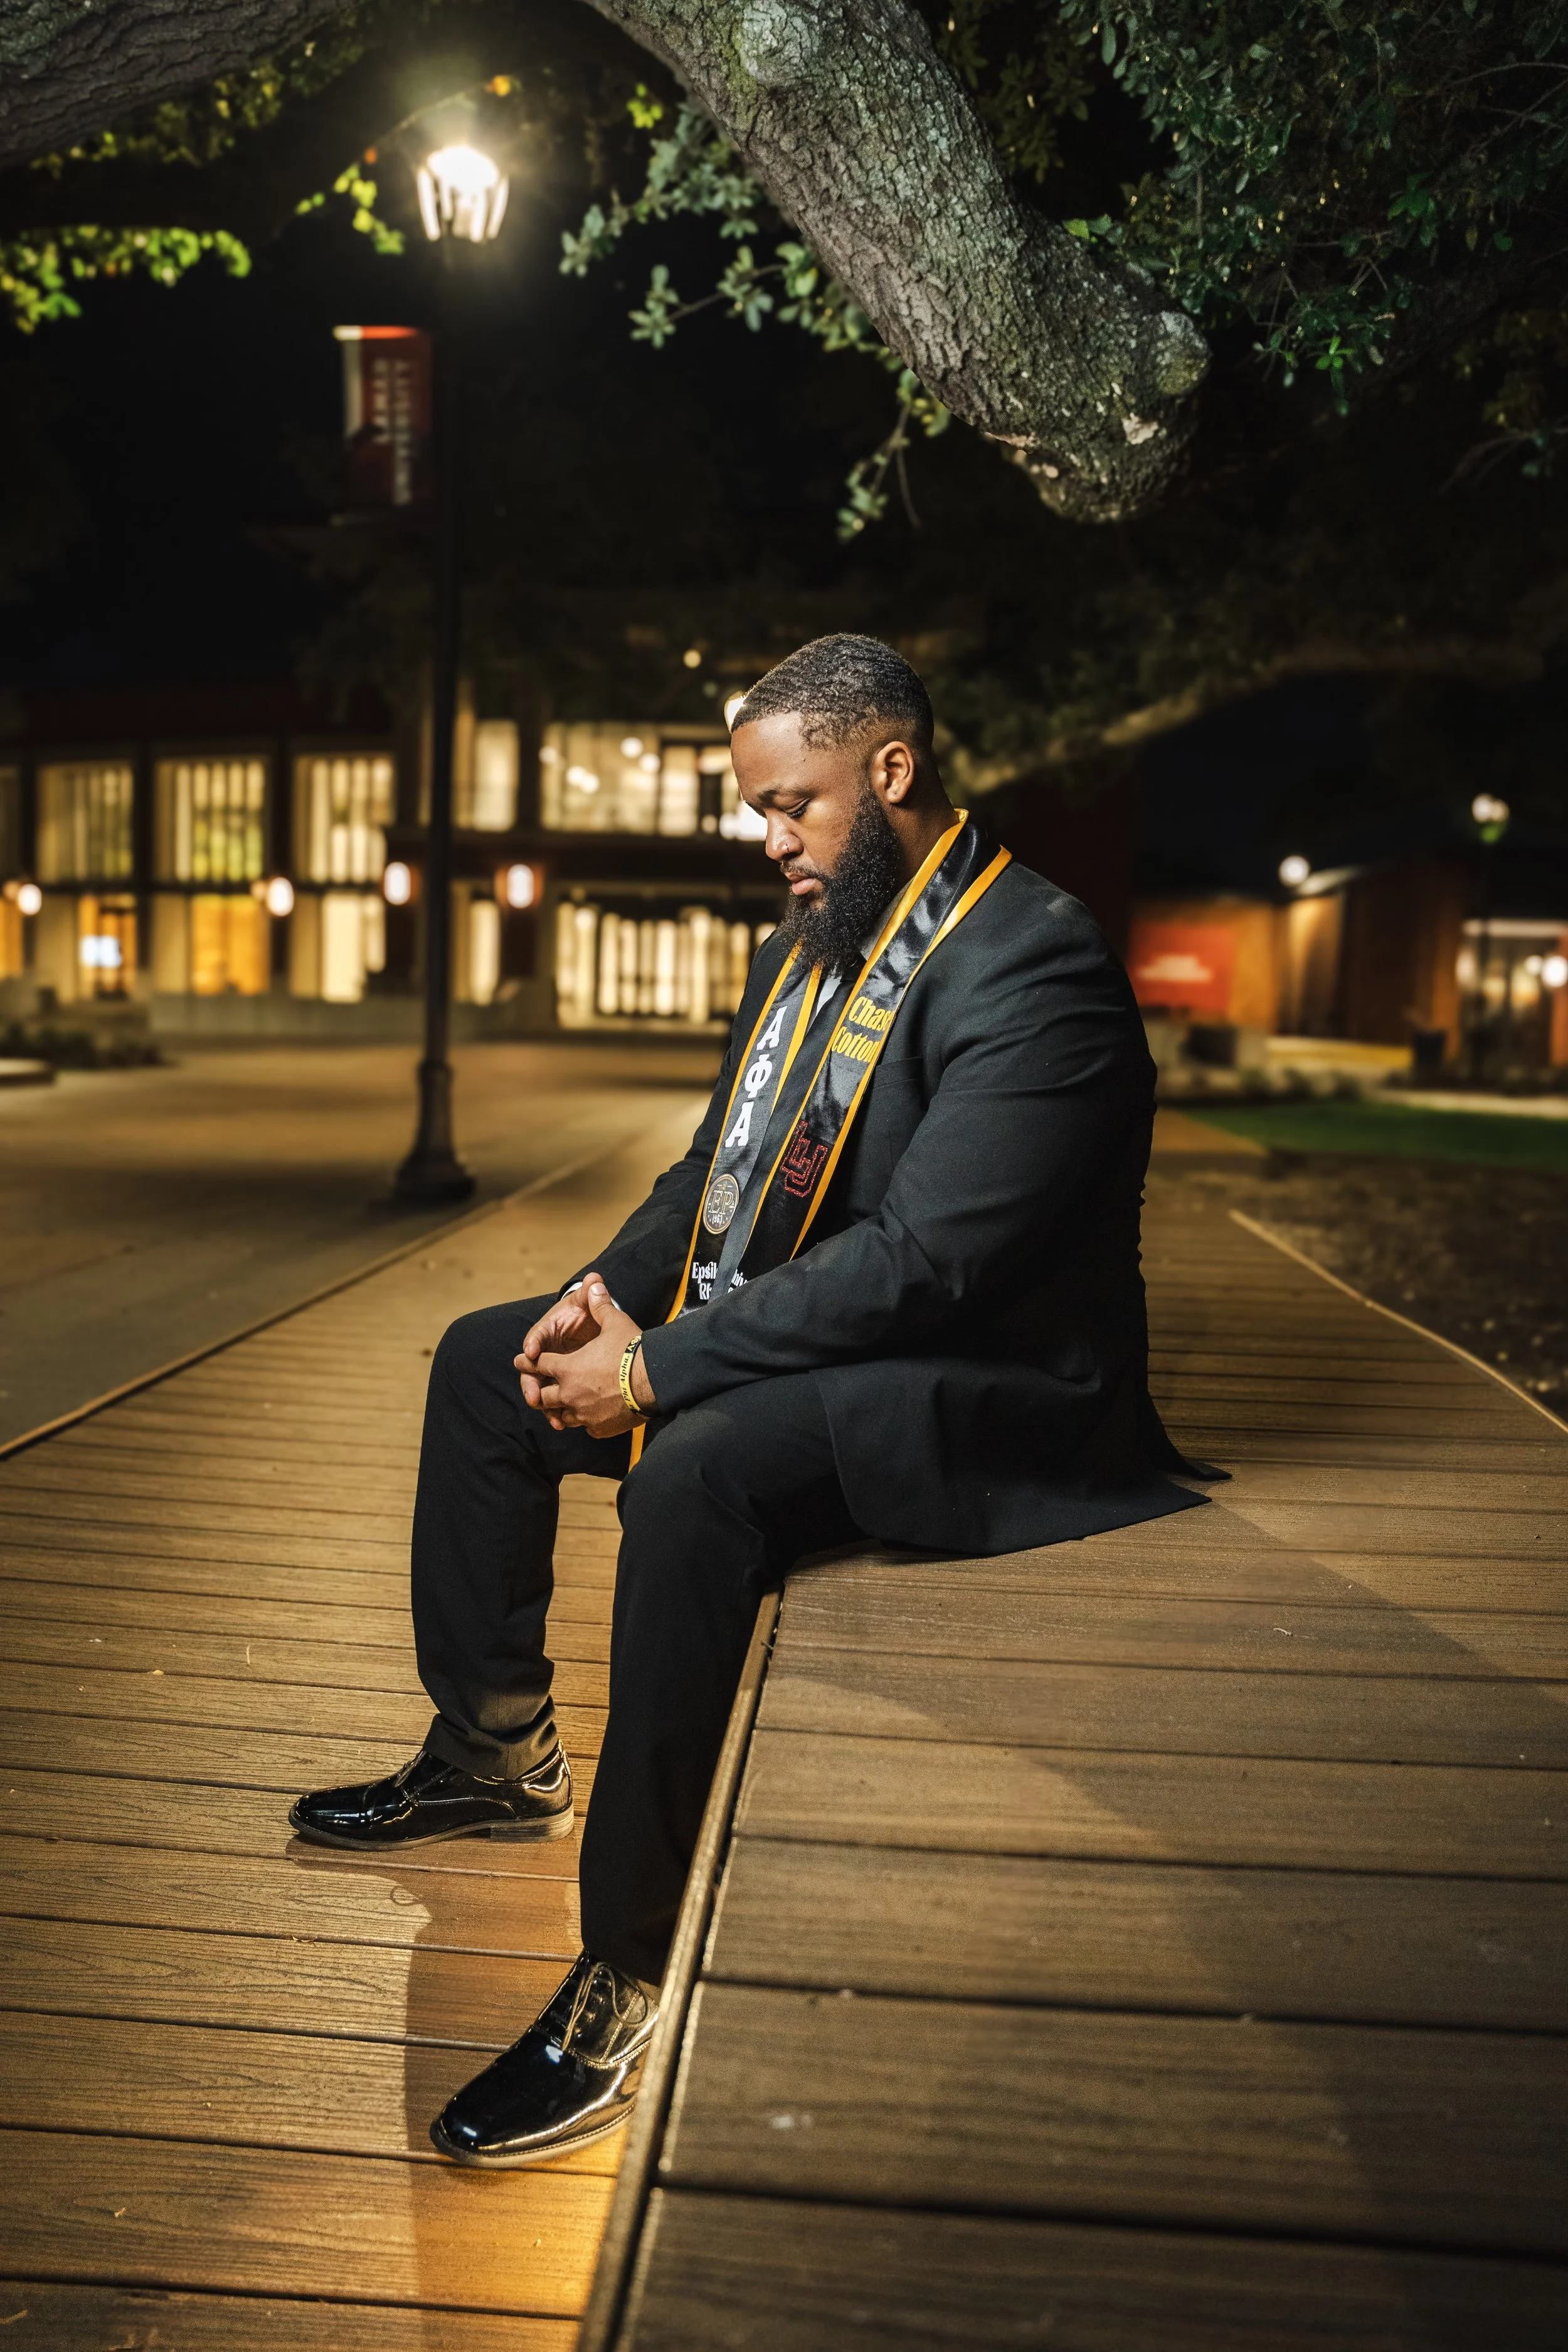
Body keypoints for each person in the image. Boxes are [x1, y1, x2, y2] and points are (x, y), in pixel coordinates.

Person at [290, 632, 1204, 2166]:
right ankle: (497, 1750)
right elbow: (708, 1172)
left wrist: (651, 1369)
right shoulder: (809, 941)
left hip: (986, 1384)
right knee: (480, 1361)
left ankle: (625, 1967)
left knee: (693, 1469)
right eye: (759, 810)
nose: (768, 838)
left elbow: (929, 1268)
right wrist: (604, 1295)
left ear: (891, 771)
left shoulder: (1030, 962)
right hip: (823, 1322)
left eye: (793, 805)